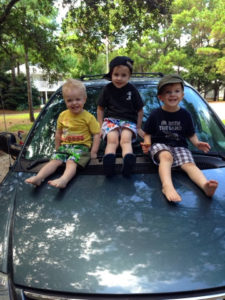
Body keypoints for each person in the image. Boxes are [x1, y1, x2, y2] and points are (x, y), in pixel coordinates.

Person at [141, 74, 218, 202]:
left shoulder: (185, 115)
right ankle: (167, 186)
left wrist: (197, 143)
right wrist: (147, 144)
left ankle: (205, 185)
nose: (173, 94)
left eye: (177, 91)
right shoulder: (155, 114)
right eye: (168, 92)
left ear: (182, 95)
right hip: (160, 145)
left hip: (180, 146)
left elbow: (190, 134)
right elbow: (147, 133)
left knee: (189, 165)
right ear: (161, 97)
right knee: (166, 157)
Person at [25, 79, 101, 189]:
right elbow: (58, 133)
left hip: (81, 147)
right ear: (65, 101)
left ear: (84, 99)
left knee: (71, 162)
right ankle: (39, 178)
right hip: (64, 147)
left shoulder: (89, 117)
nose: (74, 103)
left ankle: (64, 180)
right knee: (54, 161)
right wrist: (57, 147)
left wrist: (93, 152)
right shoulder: (62, 115)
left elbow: (97, 134)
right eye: (69, 100)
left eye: (77, 99)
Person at [97, 56, 144, 176]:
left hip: (128, 121)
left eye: (123, 75)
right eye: (116, 74)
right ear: (111, 74)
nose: (119, 78)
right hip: (111, 120)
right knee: (112, 140)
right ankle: (108, 162)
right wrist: (100, 126)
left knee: (125, 139)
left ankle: (128, 159)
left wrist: (138, 128)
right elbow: (100, 108)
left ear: (129, 76)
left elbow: (139, 110)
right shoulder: (107, 89)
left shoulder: (132, 90)